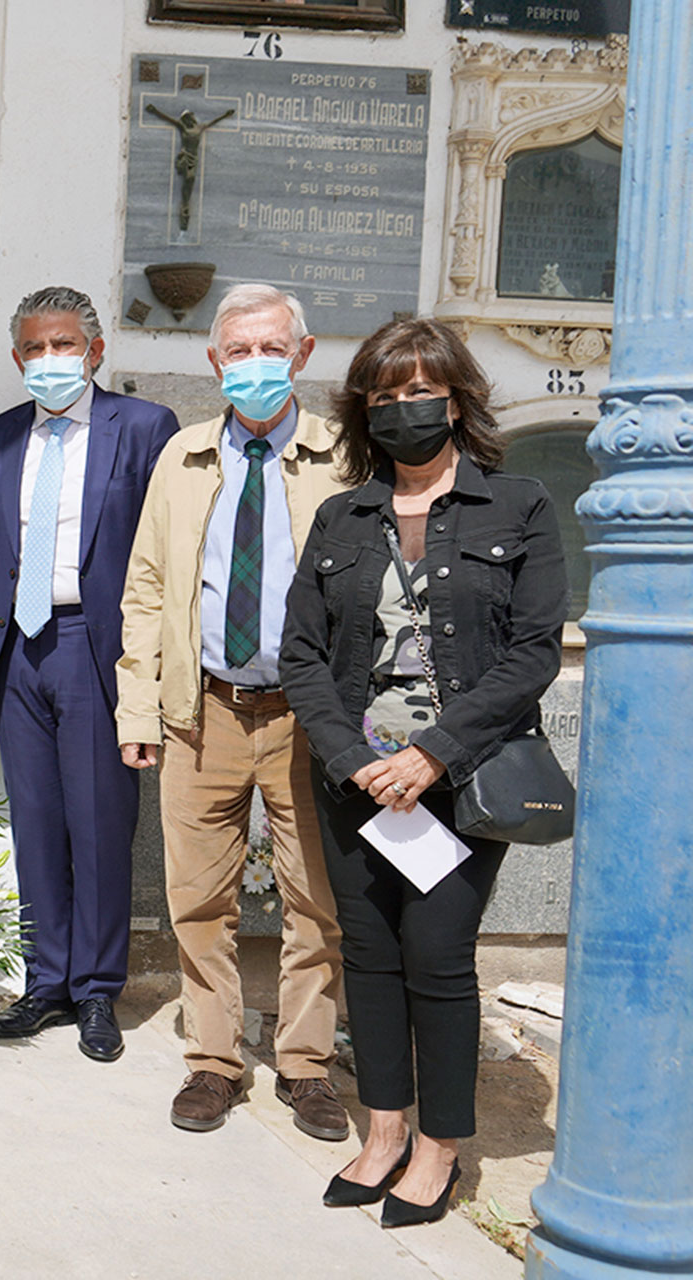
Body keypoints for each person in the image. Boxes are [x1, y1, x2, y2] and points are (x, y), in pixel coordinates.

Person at [280, 317, 566, 1227]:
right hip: (357, 781)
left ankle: (440, 1147)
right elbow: (301, 658)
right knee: (366, 952)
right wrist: (356, 759)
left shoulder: (517, 506)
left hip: (461, 780)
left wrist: (430, 752)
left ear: (456, 398)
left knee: (437, 957)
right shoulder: (342, 516)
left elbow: (532, 653)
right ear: (365, 410)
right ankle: (383, 1129)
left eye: (421, 391)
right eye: (386, 395)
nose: (406, 410)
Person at [117, 284, 349, 1138]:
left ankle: (305, 1065)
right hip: (201, 710)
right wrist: (137, 710)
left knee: (314, 899)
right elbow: (145, 591)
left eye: (270, 349)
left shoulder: (344, 459)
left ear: (303, 353)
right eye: (238, 352)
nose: (255, 365)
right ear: (215, 363)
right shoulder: (180, 458)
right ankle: (215, 1061)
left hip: (308, 718)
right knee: (197, 898)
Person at [0, 285, 180, 1061]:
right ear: (18, 358)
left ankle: (95, 991)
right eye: (35, 349)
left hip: (96, 648)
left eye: (64, 346)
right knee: (37, 826)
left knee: (100, 825)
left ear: (95, 352)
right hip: (17, 652)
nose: (50, 360)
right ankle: (45, 982)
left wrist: (148, 681)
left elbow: (163, 557)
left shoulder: (144, 429)